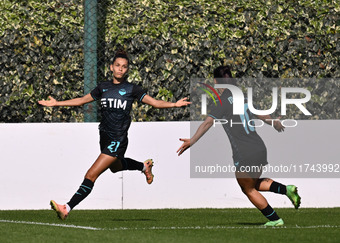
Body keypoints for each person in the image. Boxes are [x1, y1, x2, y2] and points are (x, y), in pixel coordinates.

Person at [38, 50, 190, 220]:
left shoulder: (132, 89)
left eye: (124, 67)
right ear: (111, 67)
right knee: (115, 167)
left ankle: (67, 208)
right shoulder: (103, 87)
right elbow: (81, 100)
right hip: (104, 135)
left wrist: (174, 105)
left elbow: (154, 103)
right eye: (117, 65)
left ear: (127, 70)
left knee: (91, 175)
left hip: (118, 138)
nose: (120, 69)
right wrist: (57, 103)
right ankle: (143, 167)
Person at [177, 65, 301, 227]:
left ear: (216, 82)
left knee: (247, 189)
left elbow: (208, 123)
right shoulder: (241, 96)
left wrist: (192, 140)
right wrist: (274, 122)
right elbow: (260, 113)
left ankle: (275, 219)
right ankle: (287, 189)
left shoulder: (221, 101)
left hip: (244, 151)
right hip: (258, 146)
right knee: (252, 183)